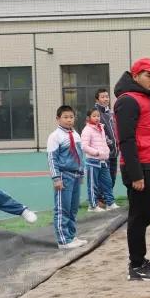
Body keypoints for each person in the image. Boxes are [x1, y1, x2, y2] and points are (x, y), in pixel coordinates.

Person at [114, 58, 150, 281]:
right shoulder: (128, 101)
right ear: (135, 76)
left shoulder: (145, 99)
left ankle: (140, 259)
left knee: (147, 213)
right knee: (138, 215)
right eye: (149, 75)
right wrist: (136, 174)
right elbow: (125, 139)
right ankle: (136, 265)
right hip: (139, 167)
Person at [47, 105, 86, 249]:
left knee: (73, 208)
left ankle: (71, 236)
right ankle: (63, 240)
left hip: (76, 176)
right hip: (64, 176)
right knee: (62, 208)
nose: (69, 120)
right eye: (65, 117)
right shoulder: (55, 136)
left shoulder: (75, 134)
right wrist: (56, 178)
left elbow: (80, 155)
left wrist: (81, 172)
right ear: (58, 119)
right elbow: (52, 159)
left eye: (71, 117)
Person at [80, 107, 117, 212]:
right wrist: (97, 153)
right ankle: (92, 205)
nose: (97, 118)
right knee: (93, 185)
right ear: (88, 118)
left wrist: (106, 152)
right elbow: (84, 146)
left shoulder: (101, 128)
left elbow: (103, 143)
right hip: (92, 162)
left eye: (98, 116)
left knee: (108, 183)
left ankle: (110, 203)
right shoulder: (87, 130)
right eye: (94, 116)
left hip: (103, 161)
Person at [94, 88, 119, 189]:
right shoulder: (95, 113)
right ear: (97, 100)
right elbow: (96, 131)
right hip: (104, 153)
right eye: (103, 97)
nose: (106, 99)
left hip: (114, 152)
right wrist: (108, 142)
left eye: (107, 96)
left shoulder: (110, 112)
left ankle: (108, 201)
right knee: (105, 179)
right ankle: (100, 200)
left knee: (112, 178)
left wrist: (117, 143)